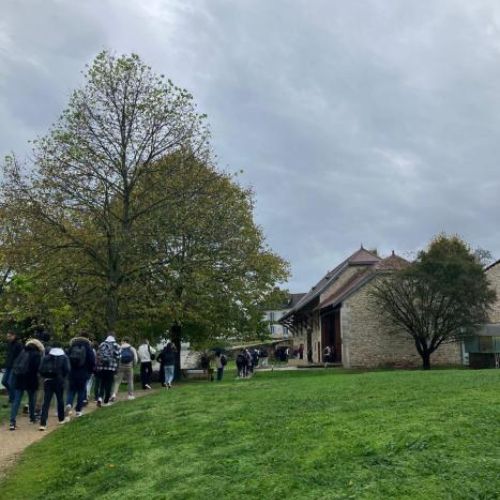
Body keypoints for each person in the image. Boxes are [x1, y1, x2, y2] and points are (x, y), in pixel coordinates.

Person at [9, 339, 45, 430]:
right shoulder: (37, 355)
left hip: (20, 378)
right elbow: (39, 368)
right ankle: (32, 418)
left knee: (17, 400)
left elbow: (15, 364)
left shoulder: (22, 352)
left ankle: (12, 422)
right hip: (31, 379)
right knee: (32, 399)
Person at [38, 342, 70, 431]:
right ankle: (61, 419)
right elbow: (67, 369)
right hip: (59, 381)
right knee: (60, 400)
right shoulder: (64, 357)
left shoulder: (46, 357)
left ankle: (43, 423)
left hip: (48, 380)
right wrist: (62, 377)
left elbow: (40, 369)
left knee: (46, 402)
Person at [65, 332, 95, 417]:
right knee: (81, 391)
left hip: (72, 372)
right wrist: (90, 370)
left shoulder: (72, 345)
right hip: (83, 373)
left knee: (71, 390)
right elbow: (92, 360)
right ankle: (78, 410)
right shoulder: (88, 347)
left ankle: (69, 404)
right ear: (87, 338)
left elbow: (67, 358)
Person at [95, 334, 121, 407]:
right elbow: (118, 356)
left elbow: (98, 355)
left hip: (102, 367)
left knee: (102, 383)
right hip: (111, 368)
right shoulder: (116, 345)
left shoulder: (102, 344)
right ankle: (106, 401)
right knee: (109, 384)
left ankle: (100, 398)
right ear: (114, 337)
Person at [2, 331, 23, 404]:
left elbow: (21, 356)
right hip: (8, 366)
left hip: (14, 367)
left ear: (14, 336)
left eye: (9, 336)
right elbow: (9, 355)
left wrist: (17, 365)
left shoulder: (19, 344)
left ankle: (12, 399)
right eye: (7, 336)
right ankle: (13, 395)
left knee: (11, 383)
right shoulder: (9, 344)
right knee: (4, 381)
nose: (8, 338)